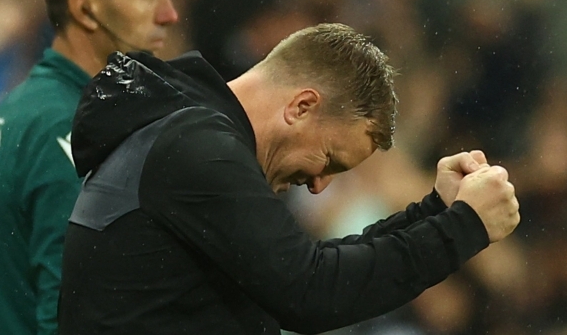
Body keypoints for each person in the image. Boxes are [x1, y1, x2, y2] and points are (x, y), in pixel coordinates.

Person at [58, 23, 520, 334]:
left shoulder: (186, 134)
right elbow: (310, 289)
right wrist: (463, 227)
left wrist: (434, 211)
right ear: (301, 106)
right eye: (330, 160)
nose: (319, 185)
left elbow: (308, 265)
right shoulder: (196, 147)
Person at [0, 0, 178, 334]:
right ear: (86, 8)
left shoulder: (23, 107)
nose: (169, 14)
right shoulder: (69, 130)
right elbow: (68, 316)